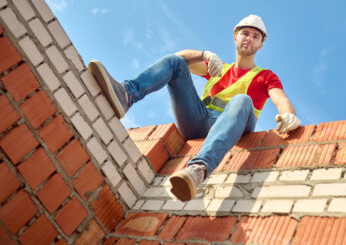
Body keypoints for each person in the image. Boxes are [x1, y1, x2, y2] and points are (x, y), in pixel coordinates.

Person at [88, 15, 301, 202]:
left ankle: (198, 169)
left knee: (242, 100)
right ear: (235, 37)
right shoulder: (220, 68)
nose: (249, 38)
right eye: (245, 33)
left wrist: (289, 115)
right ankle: (126, 95)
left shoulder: (265, 76)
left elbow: (280, 99)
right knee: (176, 62)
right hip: (197, 120)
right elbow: (176, 60)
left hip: (232, 128)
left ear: (261, 45)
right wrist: (205, 55)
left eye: (256, 36)